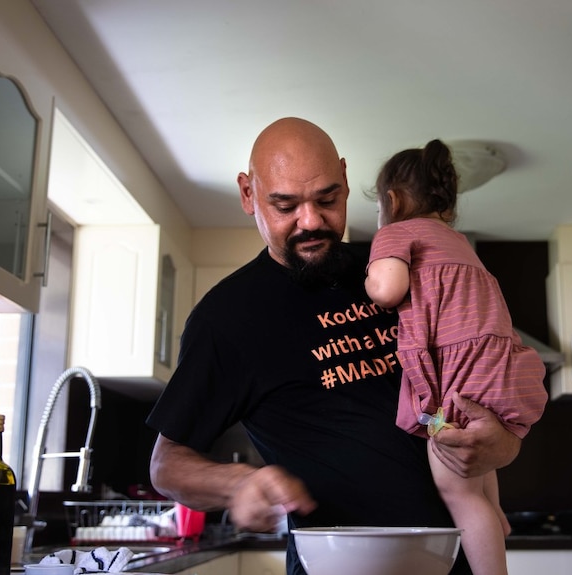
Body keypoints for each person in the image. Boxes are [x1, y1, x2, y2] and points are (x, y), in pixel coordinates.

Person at [146, 118, 524, 575]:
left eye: (327, 199)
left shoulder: (389, 266)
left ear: (346, 181)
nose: (311, 221)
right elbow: (167, 465)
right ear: (249, 194)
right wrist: (237, 482)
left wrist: (501, 444)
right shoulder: (226, 319)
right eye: (285, 205)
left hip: (456, 562)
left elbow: (475, 388)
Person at [364, 139, 548, 574]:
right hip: (492, 373)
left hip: (459, 380)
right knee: (477, 460)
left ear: (392, 200)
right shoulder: (458, 244)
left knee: (456, 491)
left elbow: (388, 289)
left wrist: (372, 278)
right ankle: (496, 515)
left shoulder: (395, 233)